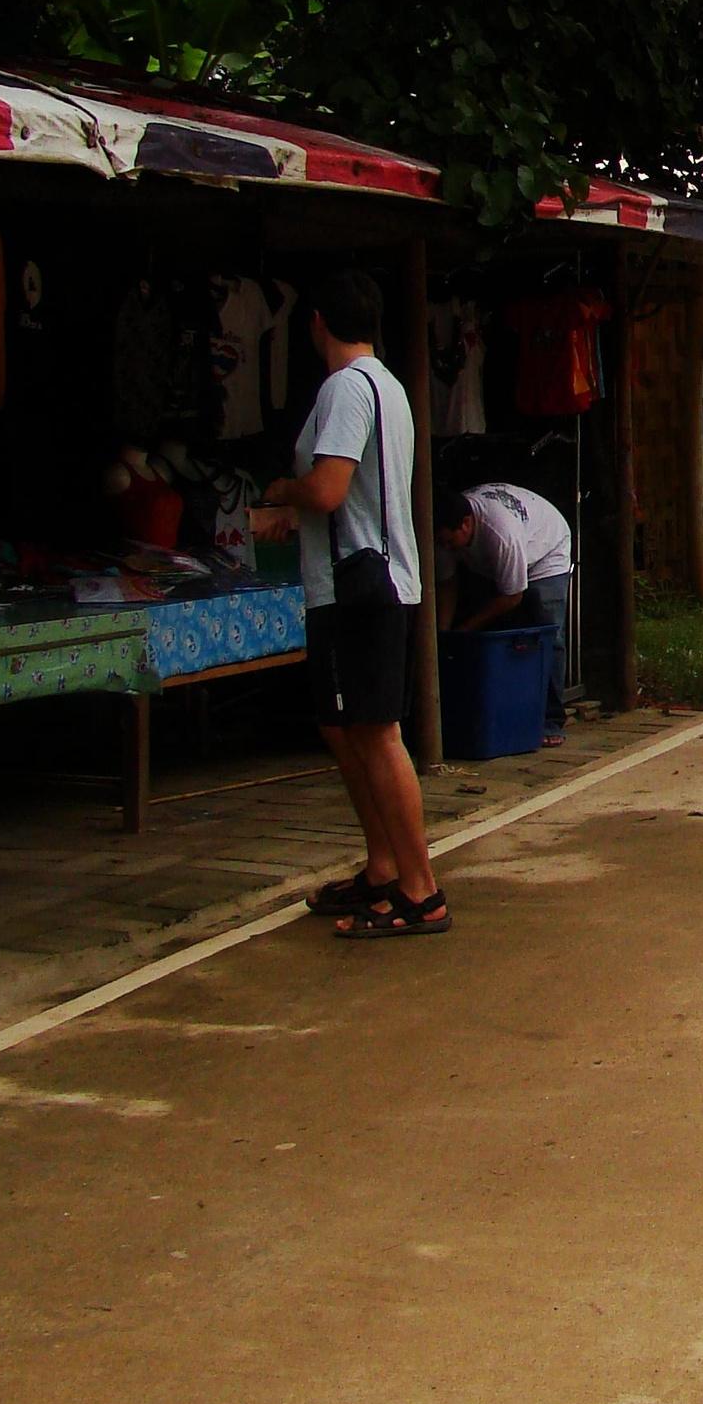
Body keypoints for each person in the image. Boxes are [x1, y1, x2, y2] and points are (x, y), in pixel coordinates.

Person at [264, 270, 448, 939]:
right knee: (347, 730)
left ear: (317, 323)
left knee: (375, 733)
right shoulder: (387, 386)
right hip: (374, 579)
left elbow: (329, 489)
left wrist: (285, 492)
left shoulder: (344, 387)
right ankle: (383, 865)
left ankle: (420, 891)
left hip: (357, 586)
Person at [434, 480, 575, 743]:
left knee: (548, 635)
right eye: (442, 543)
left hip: (547, 549)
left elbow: (512, 596)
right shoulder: (447, 536)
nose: (447, 548)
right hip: (498, 559)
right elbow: (447, 584)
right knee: (500, 633)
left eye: (450, 541)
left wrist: (465, 629)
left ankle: (551, 720)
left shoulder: (501, 533)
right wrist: (443, 632)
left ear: (466, 524)